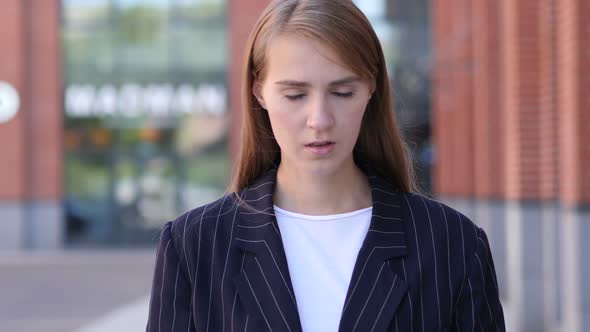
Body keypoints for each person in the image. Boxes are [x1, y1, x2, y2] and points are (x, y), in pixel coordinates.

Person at [146, 0, 505, 331]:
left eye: (341, 92)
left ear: (371, 87)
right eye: (296, 95)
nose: (319, 119)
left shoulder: (452, 243)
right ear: (259, 92)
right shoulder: (194, 246)